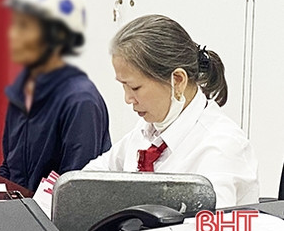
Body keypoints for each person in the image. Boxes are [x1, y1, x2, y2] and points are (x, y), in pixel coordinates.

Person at [84, 14, 259, 207]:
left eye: (134, 87)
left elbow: (209, 225)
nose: (128, 99)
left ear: (178, 80)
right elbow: (89, 180)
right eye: (123, 86)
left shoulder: (222, 147)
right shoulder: (148, 129)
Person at [0, 0, 111, 192]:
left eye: (26, 27)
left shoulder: (81, 102)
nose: (14, 35)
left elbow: (73, 191)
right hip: (21, 207)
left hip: (52, 211)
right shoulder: (21, 90)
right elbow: (8, 169)